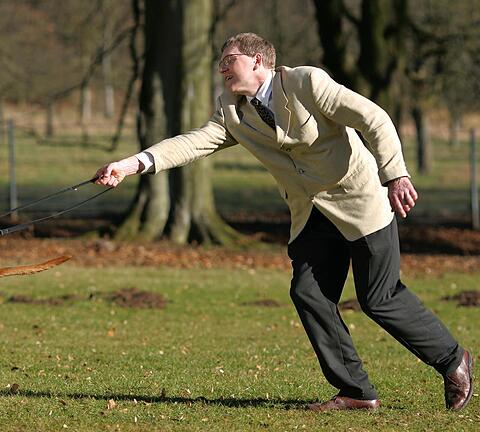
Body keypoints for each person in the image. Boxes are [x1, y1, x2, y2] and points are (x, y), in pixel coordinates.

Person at [93, 32, 473, 411]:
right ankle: (356, 392)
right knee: (309, 293)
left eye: (230, 59)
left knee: (378, 297)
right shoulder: (231, 109)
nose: (222, 67)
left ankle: (452, 359)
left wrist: (396, 175)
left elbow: (374, 118)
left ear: (258, 61)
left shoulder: (307, 82)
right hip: (311, 213)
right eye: (220, 62)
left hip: (360, 202)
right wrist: (129, 165)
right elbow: (192, 143)